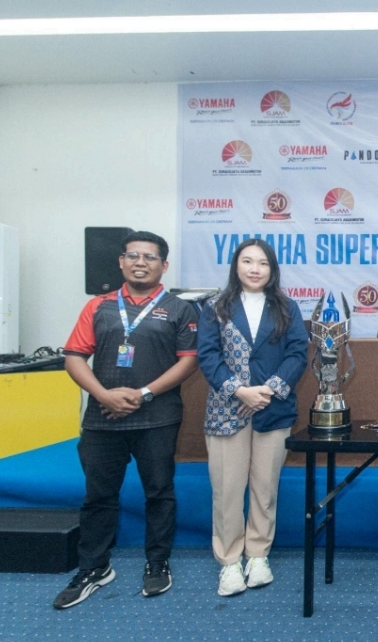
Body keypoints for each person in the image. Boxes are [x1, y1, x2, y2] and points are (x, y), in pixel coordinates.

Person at [55, 231, 199, 609]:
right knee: (98, 497)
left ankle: (157, 562)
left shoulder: (179, 309)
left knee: (159, 493)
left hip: (157, 418)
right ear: (121, 262)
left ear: (163, 265)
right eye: (133, 255)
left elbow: (188, 361)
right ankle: (94, 567)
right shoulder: (98, 306)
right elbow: (74, 356)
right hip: (103, 419)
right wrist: (103, 395)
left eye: (149, 257)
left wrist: (144, 393)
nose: (140, 263)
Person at [197, 238, 308, 596]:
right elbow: (207, 355)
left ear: (272, 269)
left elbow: (298, 354)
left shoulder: (287, 307)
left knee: (264, 488)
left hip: (273, 411)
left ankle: (258, 556)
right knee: (227, 490)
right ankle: (230, 561)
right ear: (236, 266)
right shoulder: (216, 307)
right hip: (226, 410)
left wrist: (267, 391)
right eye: (247, 261)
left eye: (263, 263)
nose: (255, 269)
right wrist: (240, 391)